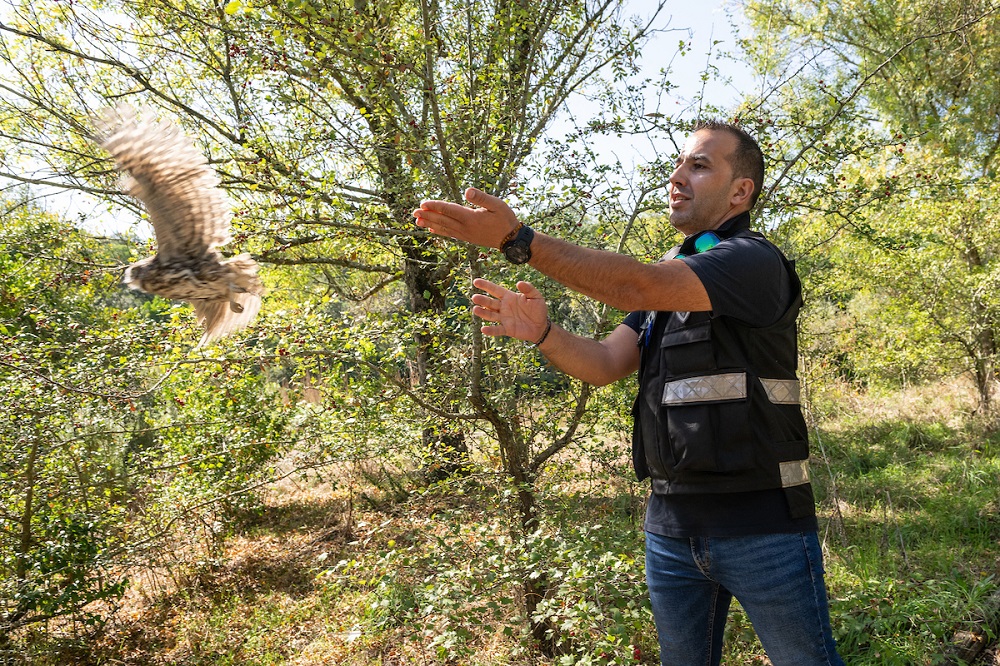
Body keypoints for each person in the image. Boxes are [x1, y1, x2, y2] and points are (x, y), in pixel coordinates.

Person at [413, 120, 844, 665]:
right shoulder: (675, 276)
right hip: (670, 529)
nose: (678, 175)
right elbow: (604, 363)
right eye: (681, 162)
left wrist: (516, 240)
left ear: (741, 192)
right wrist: (544, 333)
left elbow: (636, 282)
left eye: (700, 165)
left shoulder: (753, 263)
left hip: (764, 530)